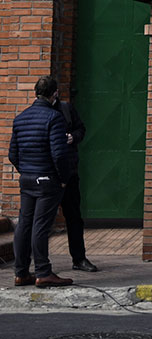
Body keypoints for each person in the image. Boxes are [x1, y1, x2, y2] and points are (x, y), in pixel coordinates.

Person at [7, 77, 74, 287]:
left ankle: (20, 272)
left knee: (24, 224)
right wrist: (63, 179)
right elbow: (59, 155)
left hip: (27, 180)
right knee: (40, 226)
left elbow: (12, 154)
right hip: (47, 181)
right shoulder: (54, 118)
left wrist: (26, 171)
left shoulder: (20, 118)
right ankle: (43, 272)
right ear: (54, 94)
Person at [54, 93, 98, 272]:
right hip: (51, 176)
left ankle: (79, 259)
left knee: (74, 218)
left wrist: (73, 137)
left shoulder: (66, 109)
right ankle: (37, 264)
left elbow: (81, 129)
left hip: (70, 173)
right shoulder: (40, 111)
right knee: (40, 221)